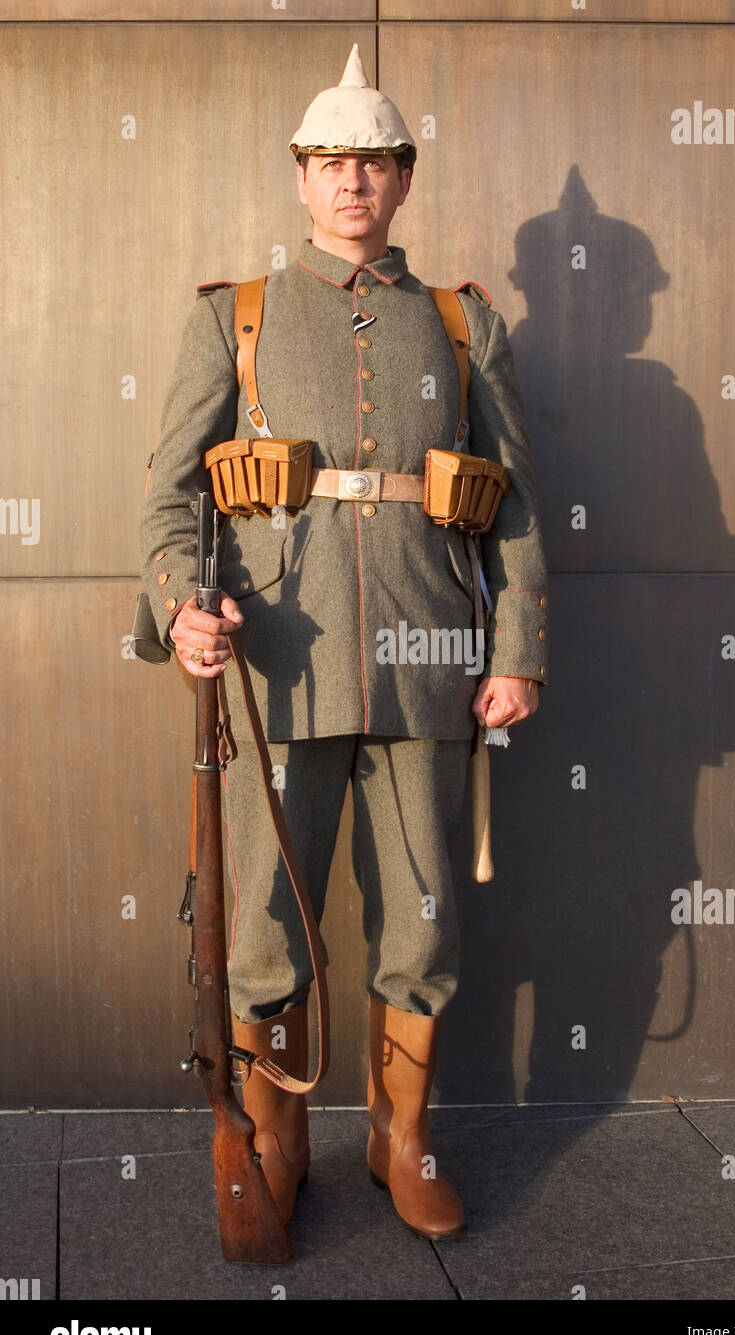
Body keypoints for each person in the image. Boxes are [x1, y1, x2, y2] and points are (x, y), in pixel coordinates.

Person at [137, 45, 549, 1249]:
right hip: (279, 665)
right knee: (265, 919)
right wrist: (178, 605)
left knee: (422, 920)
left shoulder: (464, 325)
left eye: (373, 161)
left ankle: (399, 1136)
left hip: (431, 666)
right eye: (328, 162)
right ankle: (277, 1139)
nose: (350, 181)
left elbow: (515, 499)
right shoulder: (234, 318)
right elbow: (169, 495)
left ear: (404, 180)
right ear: (301, 181)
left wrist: (515, 646)